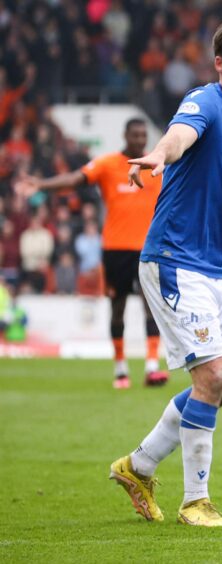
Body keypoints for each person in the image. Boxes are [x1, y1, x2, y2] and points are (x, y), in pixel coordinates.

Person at [109, 19, 222, 527]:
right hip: (174, 261)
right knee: (212, 376)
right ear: (221, 64)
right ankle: (195, 501)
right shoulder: (206, 102)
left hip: (216, 269)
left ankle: (137, 466)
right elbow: (179, 136)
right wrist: (158, 154)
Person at [15, 119, 168, 389]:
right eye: (135, 134)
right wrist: (41, 185)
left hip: (149, 248)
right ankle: (121, 368)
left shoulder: (157, 167)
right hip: (115, 248)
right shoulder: (108, 164)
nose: (141, 139)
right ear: (125, 135)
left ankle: (152, 367)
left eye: (144, 134)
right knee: (117, 307)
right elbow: (75, 179)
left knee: (151, 306)